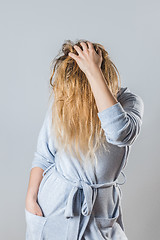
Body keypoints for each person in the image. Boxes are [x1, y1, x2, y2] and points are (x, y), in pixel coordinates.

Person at [25, 39, 144, 240]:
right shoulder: (66, 102)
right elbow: (43, 156)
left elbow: (119, 133)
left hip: (100, 211)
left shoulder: (128, 102)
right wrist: (31, 198)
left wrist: (92, 71)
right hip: (54, 206)